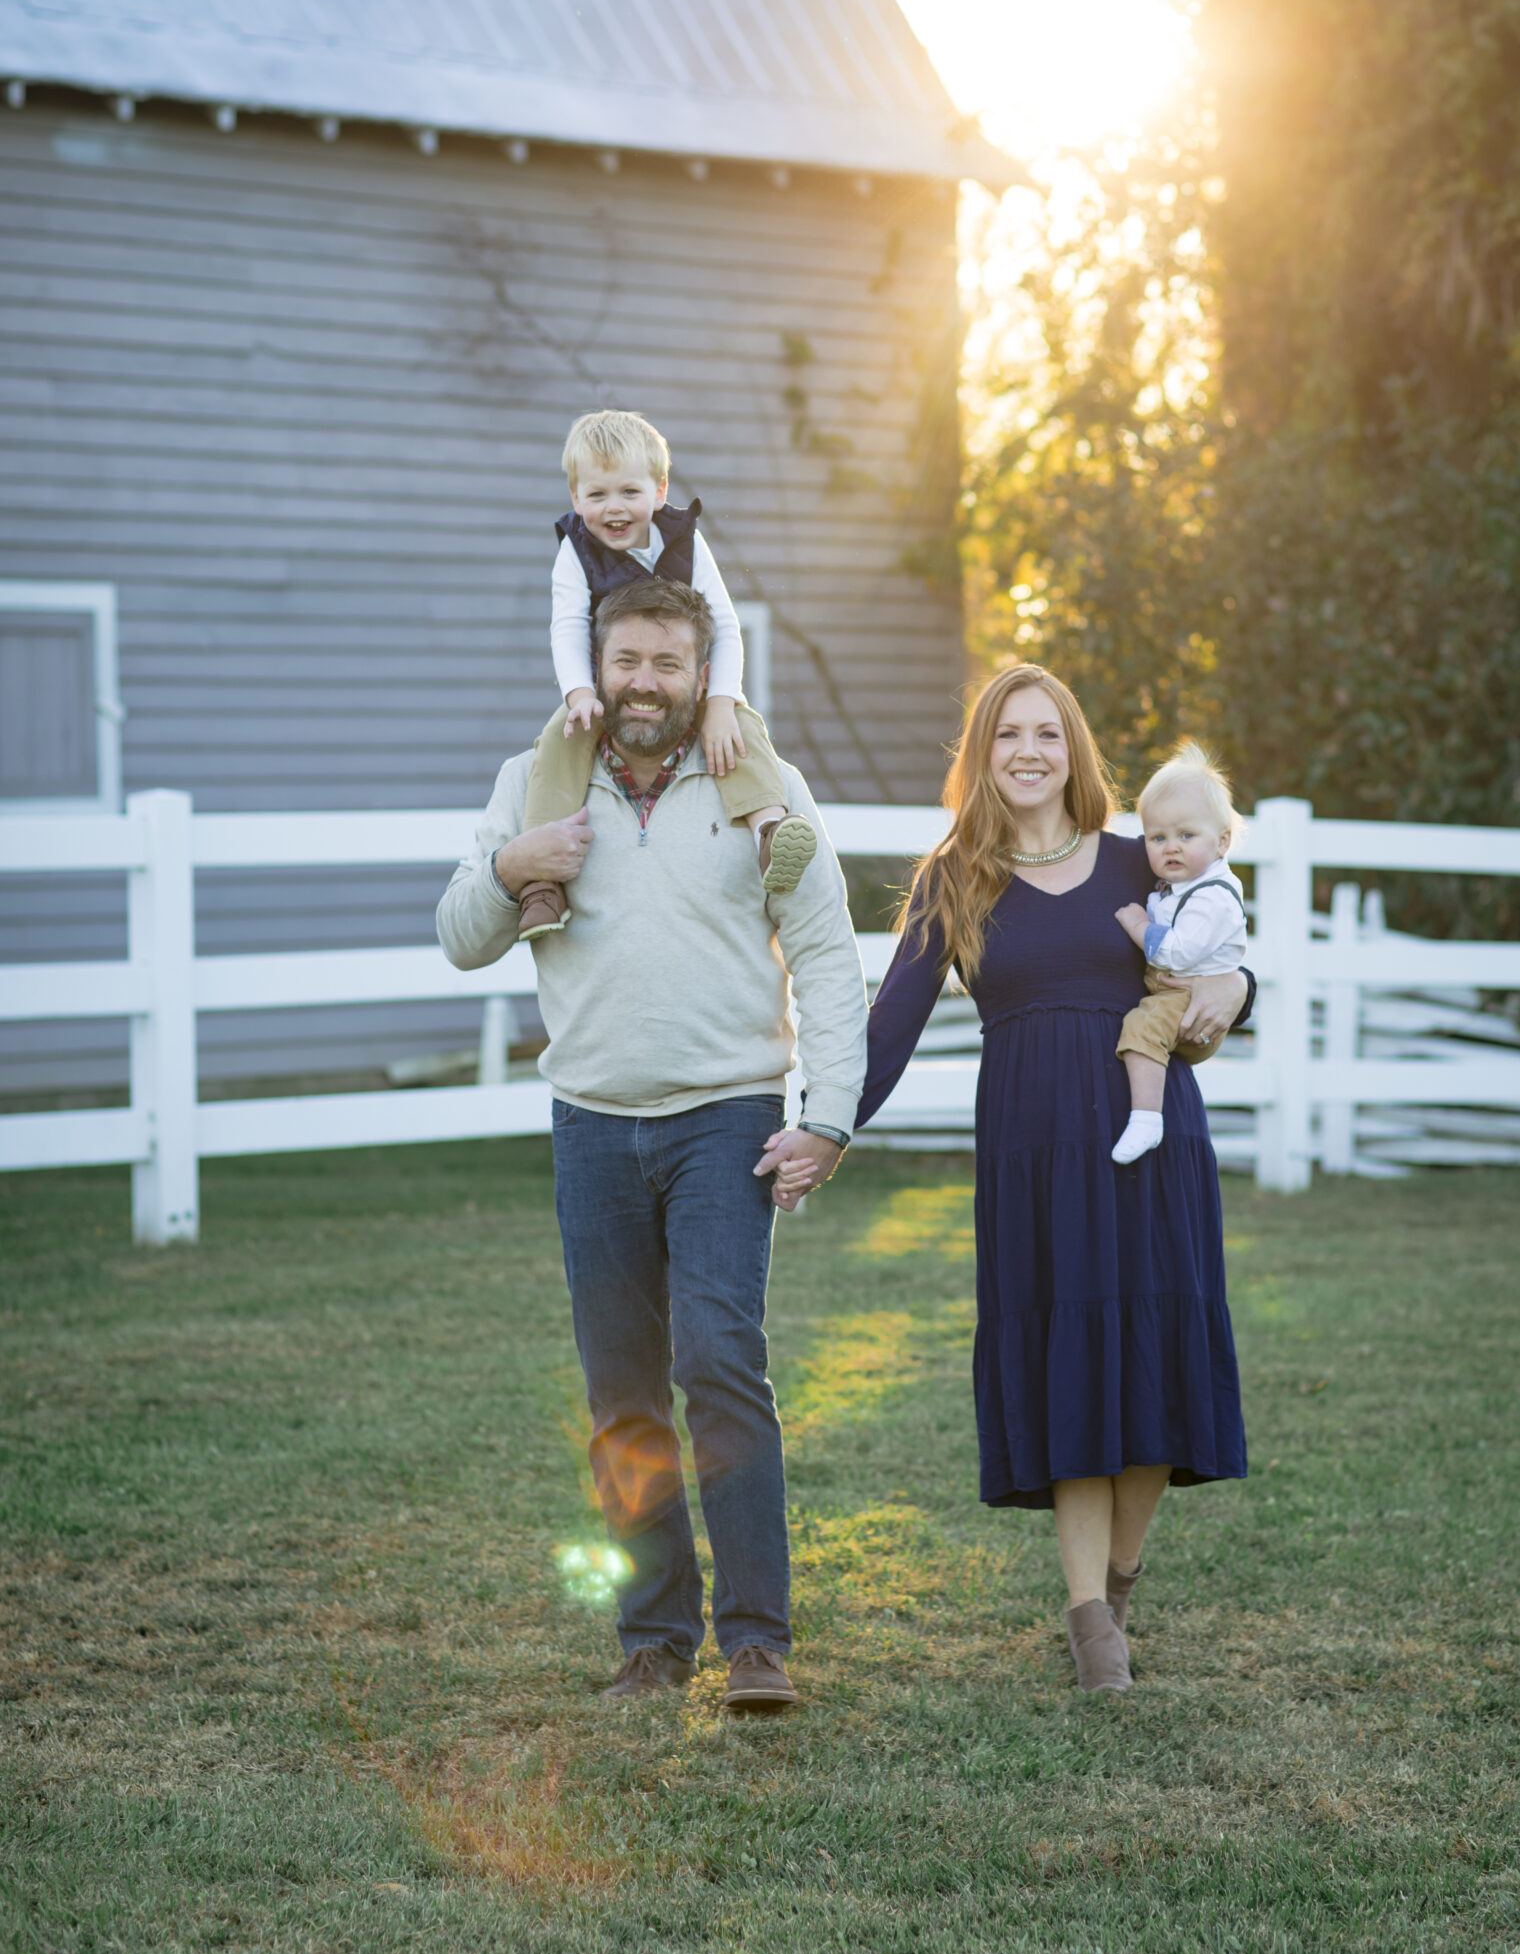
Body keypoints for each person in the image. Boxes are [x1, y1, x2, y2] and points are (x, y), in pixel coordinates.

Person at [436, 575, 866, 1710]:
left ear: (701, 671)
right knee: (622, 1395)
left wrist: (827, 1114)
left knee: (721, 1363)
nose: (645, 683)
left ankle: (757, 1644)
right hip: (592, 1126)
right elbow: (459, 938)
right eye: (626, 659)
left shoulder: (757, 785)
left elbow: (825, 950)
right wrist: (511, 867)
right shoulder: (535, 784)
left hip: (726, 1117)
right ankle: (653, 1640)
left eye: (668, 663)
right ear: (595, 662)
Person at [840, 666, 1252, 1700]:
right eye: (1009, 734)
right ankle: (1087, 1628)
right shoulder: (956, 878)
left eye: (1049, 733)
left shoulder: (1136, 861)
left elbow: (1225, 945)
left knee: (1153, 1359)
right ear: (981, 754)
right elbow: (887, 1025)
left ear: (1075, 749)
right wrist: (822, 1125)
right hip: (1033, 1151)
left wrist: (1240, 986)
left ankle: (1118, 1586)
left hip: (1151, 1142)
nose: (1030, 751)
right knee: (1070, 1359)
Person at [516, 407, 817, 940]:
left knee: (742, 732)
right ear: (575, 498)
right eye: (597, 495)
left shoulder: (684, 542)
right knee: (559, 741)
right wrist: (579, 692)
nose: (614, 509)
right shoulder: (574, 552)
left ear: (659, 491)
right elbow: (565, 626)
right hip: (605, 691)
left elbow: (724, 625)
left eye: (629, 493)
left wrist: (721, 702)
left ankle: (771, 830)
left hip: (680, 687)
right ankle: (541, 886)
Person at [1109, 741, 1249, 1164]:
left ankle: (1147, 1120)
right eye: (1158, 837)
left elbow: (1179, 953)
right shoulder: (1182, 884)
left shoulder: (1214, 896)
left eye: (1186, 835)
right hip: (1176, 995)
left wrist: (1139, 926)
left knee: (1141, 1030)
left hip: (1188, 1002)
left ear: (1222, 842)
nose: (1171, 847)